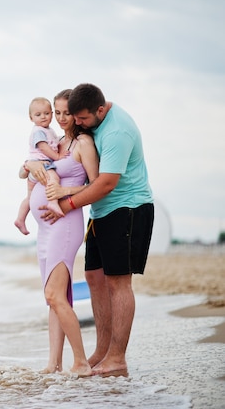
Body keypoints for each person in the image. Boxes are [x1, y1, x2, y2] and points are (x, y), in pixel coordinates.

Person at [36, 83, 154, 377]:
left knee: (118, 282)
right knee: (94, 277)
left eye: (83, 119)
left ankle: (117, 357)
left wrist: (66, 203)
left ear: (100, 110)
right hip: (102, 212)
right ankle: (102, 352)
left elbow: (104, 183)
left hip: (128, 208)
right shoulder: (92, 119)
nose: (77, 123)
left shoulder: (117, 132)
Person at [23, 89, 99, 376]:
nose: (62, 117)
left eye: (67, 112)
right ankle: (54, 364)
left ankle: (80, 362)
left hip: (65, 225)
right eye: (58, 112)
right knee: (52, 298)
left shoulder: (83, 143)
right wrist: (27, 164)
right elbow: (29, 169)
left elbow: (96, 185)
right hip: (45, 228)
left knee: (55, 295)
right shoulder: (56, 141)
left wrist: (66, 191)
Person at [14, 97, 64, 236]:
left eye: (46, 113)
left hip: (34, 170)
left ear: (52, 114)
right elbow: (43, 147)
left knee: (29, 198)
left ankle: (20, 219)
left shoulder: (48, 131)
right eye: (38, 115)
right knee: (54, 178)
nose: (43, 117)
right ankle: (52, 202)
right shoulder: (38, 131)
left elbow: (54, 142)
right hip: (41, 165)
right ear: (31, 118)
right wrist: (58, 157)